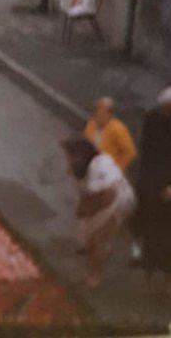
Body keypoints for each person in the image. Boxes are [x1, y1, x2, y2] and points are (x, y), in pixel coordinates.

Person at [62, 136, 135, 288]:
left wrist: (89, 213)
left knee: (96, 241)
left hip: (116, 201)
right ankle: (97, 252)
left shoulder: (100, 164)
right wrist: (83, 210)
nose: (67, 160)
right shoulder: (78, 171)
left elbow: (108, 196)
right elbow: (84, 194)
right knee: (91, 236)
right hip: (99, 201)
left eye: (69, 156)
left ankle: (94, 275)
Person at [136, 86, 171, 279]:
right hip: (154, 185)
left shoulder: (154, 119)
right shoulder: (154, 120)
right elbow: (148, 153)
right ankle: (150, 267)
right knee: (153, 231)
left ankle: (165, 273)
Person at [84, 97, 137, 172]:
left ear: (108, 113)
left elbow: (130, 153)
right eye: (95, 109)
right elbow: (84, 145)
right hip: (91, 168)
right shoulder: (90, 125)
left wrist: (115, 168)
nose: (95, 112)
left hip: (108, 171)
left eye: (99, 110)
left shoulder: (118, 129)